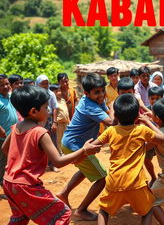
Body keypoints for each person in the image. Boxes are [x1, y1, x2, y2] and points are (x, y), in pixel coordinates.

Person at [2, 85, 101, 224]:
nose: (49, 111)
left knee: (20, 216)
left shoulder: (16, 127)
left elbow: (5, 148)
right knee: (63, 213)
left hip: (9, 182)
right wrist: (83, 150)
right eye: (46, 107)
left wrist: (20, 161)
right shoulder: (40, 132)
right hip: (27, 186)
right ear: (34, 111)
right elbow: (58, 161)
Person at [91, 94, 164, 225]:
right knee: (147, 210)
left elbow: (94, 145)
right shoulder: (142, 130)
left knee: (103, 211)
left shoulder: (110, 131)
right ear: (137, 116)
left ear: (116, 116)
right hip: (136, 183)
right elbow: (163, 139)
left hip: (114, 182)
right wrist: (148, 121)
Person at [57, 73, 115, 221]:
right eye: (97, 92)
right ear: (86, 93)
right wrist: (115, 104)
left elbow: (107, 112)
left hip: (72, 143)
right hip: (75, 146)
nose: (101, 94)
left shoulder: (93, 100)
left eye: (103, 90)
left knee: (85, 171)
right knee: (102, 179)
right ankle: (81, 210)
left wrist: (110, 107)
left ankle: (63, 194)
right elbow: (111, 121)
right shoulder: (90, 106)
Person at [36, 74, 59, 172]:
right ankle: (40, 165)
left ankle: (52, 164)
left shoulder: (51, 94)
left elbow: (54, 108)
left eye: (47, 83)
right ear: (38, 84)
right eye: (43, 84)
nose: (45, 85)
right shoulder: (35, 94)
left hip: (49, 120)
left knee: (52, 142)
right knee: (38, 143)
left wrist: (54, 122)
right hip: (38, 120)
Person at [0, 74, 18, 188]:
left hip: (12, 135)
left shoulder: (10, 96)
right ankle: (3, 185)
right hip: (2, 137)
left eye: (6, 84)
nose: (5, 86)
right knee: (3, 162)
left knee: (10, 161)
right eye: (1, 85)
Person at [145, 86, 164, 187]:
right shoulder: (146, 110)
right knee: (146, 160)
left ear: (162, 98)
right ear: (148, 98)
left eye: (157, 98)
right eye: (152, 98)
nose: (155, 101)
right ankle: (153, 177)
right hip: (150, 139)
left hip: (163, 140)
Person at [49, 84, 70, 154]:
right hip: (59, 123)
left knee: (66, 138)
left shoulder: (63, 100)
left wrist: (69, 120)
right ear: (52, 93)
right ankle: (60, 153)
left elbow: (66, 111)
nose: (59, 93)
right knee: (59, 139)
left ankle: (66, 151)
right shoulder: (53, 102)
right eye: (56, 91)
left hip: (66, 122)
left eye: (59, 91)